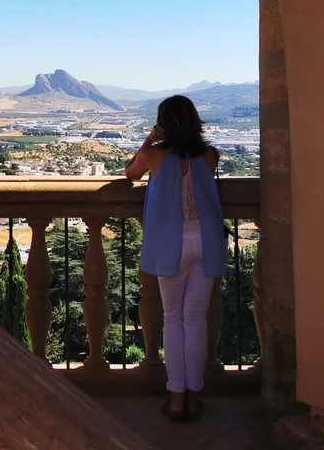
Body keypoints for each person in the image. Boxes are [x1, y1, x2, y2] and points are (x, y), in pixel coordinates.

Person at [125, 95, 223, 422]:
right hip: (206, 242)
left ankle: (176, 398)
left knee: (173, 318)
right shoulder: (210, 155)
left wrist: (149, 138)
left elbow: (131, 175)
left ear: (163, 122)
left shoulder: (154, 154)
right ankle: (194, 397)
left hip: (171, 245)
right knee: (196, 320)